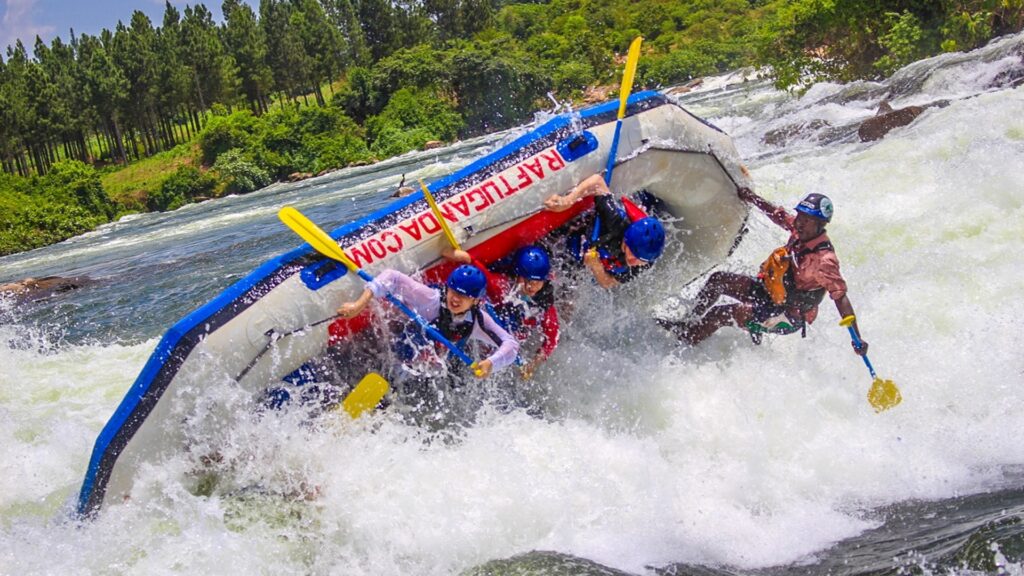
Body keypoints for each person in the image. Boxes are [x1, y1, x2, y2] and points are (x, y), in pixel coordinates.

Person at [658, 186, 869, 355]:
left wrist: (856, 338)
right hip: (770, 293)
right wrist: (751, 197)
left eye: (807, 220)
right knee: (718, 280)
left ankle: (681, 345)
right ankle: (688, 324)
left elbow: (840, 297)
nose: (800, 223)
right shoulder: (799, 229)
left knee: (720, 313)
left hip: (788, 315)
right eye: (800, 216)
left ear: (820, 225)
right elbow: (778, 215)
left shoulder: (825, 261)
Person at [336, 264, 520, 381]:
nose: (455, 299)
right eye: (453, 292)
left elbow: (511, 345)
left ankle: (393, 389)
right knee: (408, 345)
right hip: (399, 338)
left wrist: (491, 363)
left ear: (476, 301)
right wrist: (359, 304)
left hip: (428, 358)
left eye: (464, 296)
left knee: (437, 370)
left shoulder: (478, 321)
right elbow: (392, 276)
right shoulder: (430, 298)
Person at [443, 245, 560, 380]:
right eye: (527, 280)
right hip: (482, 341)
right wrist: (467, 258)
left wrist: (534, 363)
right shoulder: (503, 288)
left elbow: (552, 336)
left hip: (506, 347)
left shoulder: (543, 303)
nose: (531, 286)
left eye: (537, 282)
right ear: (516, 275)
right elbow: (483, 275)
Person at [543, 173, 666, 288]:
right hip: (577, 232)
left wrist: (596, 266)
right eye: (634, 255)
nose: (635, 263)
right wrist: (568, 200)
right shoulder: (616, 221)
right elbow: (598, 182)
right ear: (627, 241)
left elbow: (609, 283)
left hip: (592, 260)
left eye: (641, 261)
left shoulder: (646, 261)